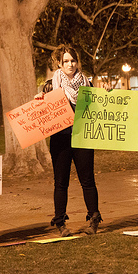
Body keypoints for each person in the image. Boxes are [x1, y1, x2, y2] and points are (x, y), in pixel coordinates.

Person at [35, 45, 102, 237]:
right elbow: (43, 110)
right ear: (59, 63)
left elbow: (97, 105)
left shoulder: (87, 83)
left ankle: (94, 219)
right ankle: (60, 222)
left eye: (73, 60)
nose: (70, 64)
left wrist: (105, 91)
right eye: (65, 61)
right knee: (61, 182)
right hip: (61, 139)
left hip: (82, 136)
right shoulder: (51, 85)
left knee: (88, 180)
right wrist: (40, 99)